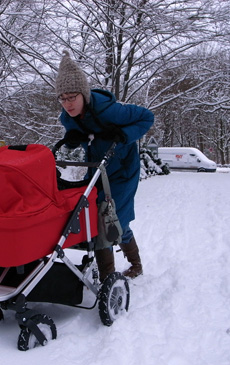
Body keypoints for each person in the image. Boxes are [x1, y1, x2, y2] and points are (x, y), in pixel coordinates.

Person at [55, 50, 154, 281]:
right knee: (97, 218)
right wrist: (73, 139)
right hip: (97, 168)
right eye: (62, 98)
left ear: (84, 94)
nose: (67, 104)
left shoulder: (110, 110)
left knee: (114, 217)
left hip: (123, 169)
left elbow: (147, 117)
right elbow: (78, 135)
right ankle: (108, 274)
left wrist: (123, 134)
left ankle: (133, 266)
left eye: (72, 97)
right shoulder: (67, 117)